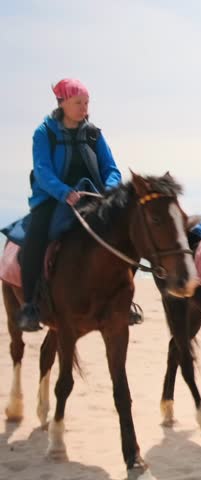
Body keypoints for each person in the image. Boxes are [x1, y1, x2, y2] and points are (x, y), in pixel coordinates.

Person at [17, 78, 122, 331]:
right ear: (62, 102)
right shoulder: (44, 133)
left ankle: (123, 302)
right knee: (36, 237)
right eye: (78, 103)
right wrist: (64, 192)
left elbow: (112, 169)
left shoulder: (95, 134)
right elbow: (42, 171)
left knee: (121, 233)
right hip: (53, 198)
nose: (84, 108)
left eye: (86, 103)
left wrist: (108, 191)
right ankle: (30, 305)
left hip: (93, 197)